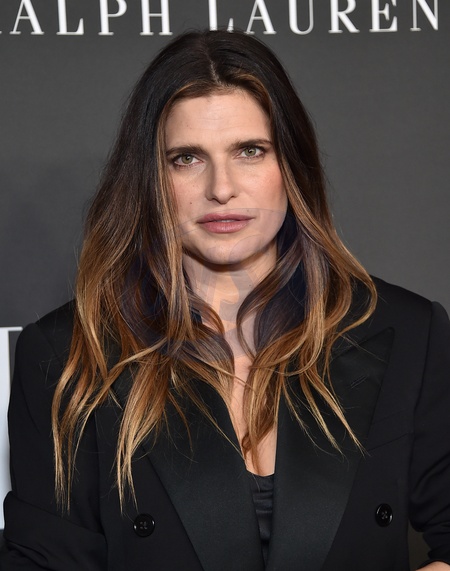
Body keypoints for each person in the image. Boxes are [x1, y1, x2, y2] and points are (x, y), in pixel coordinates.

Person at [1, 29, 450, 571]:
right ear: (149, 178)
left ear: (292, 165)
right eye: (187, 158)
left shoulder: (404, 331)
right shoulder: (69, 353)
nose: (221, 187)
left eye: (250, 151)